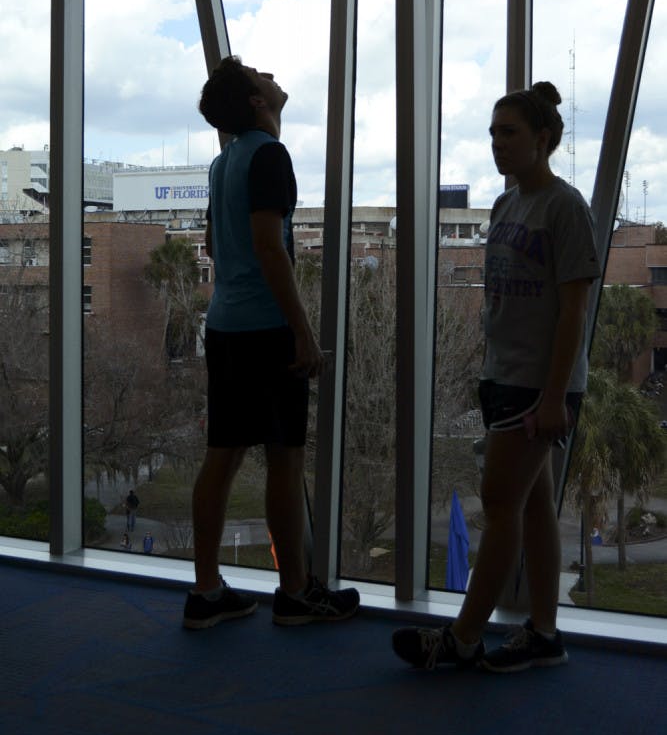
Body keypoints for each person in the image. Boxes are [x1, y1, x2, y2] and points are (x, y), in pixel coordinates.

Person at [393, 81, 600, 673]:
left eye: (509, 133)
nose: (497, 144)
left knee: (499, 501)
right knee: (532, 506)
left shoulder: (566, 208)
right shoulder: (507, 206)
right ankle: (544, 633)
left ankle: (461, 638)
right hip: (503, 376)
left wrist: (557, 394)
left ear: (543, 139)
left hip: (541, 384)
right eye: (492, 133)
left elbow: (573, 313)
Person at [182, 55, 360, 630]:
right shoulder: (269, 155)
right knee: (284, 459)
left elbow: (212, 241)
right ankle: (295, 593)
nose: (273, 75)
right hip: (265, 329)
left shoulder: (221, 163)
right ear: (258, 102)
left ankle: (206, 591)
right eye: (262, 75)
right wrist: (303, 333)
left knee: (223, 456)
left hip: (225, 326)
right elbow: (269, 245)